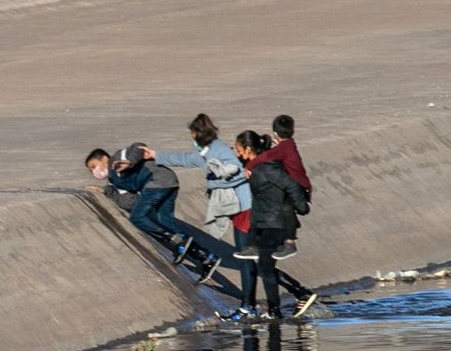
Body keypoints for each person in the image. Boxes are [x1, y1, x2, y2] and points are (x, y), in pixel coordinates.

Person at [84, 145, 221, 281]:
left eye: (94, 166)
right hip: (168, 182)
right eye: (92, 170)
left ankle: (175, 239)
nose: (95, 172)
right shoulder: (115, 180)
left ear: (104, 158)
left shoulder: (117, 158)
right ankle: (206, 258)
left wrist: (129, 162)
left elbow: (138, 147)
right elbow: (128, 202)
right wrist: (107, 191)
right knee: (165, 222)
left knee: (137, 218)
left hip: (156, 181)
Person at [229, 131, 318, 320]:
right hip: (263, 221)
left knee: (262, 267)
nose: (236, 153)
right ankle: (289, 300)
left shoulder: (264, 168)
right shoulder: (257, 166)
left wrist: (301, 207)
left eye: (238, 149)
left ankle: (281, 305)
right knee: (264, 266)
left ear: (248, 149)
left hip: (269, 222)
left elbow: (289, 186)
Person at [141, 113, 250, 241]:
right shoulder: (206, 152)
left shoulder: (220, 150)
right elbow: (184, 159)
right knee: (229, 242)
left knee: (244, 249)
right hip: (233, 206)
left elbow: (239, 171)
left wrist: (215, 183)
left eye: (193, 135)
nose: (192, 140)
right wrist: (154, 155)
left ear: (199, 134)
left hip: (244, 206)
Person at [254, 115, 312, 260]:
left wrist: (249, 167)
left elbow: (264, 157)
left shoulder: (284, 148)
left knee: (286, 207)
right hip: (295, 186)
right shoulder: (287, 146)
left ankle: (290, 243)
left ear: (275, 133)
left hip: (299, 189)